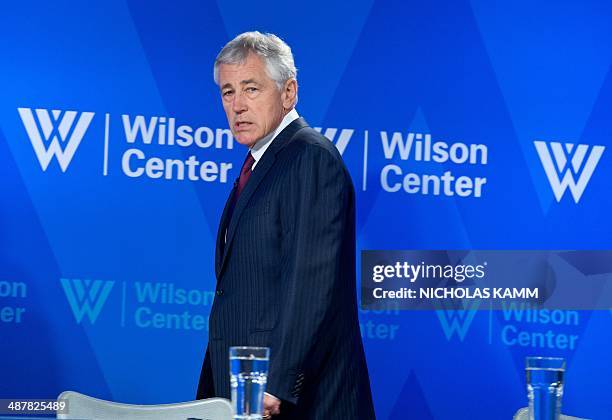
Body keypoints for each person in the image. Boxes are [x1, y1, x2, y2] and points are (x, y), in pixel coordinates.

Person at [196, 31, 375, 419]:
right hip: (245, 389)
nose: (237, 105)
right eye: (227, 92)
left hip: (295, 399)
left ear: (288, 92)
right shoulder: (263, 163)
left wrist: (275, 382)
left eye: (251, 88)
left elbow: (311, 280)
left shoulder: (309, 157)